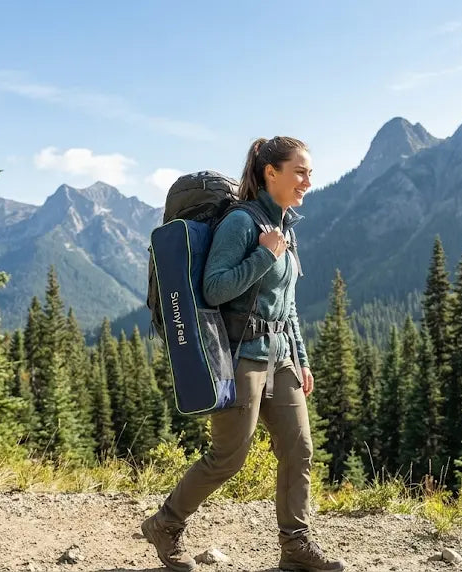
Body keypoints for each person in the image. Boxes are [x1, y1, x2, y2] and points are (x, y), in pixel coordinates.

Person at [141, 137, 345, 572]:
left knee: (299, 449)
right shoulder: (242, 223)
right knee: (228, 458)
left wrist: (302, 359)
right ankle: (166, 523)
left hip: (281, 357)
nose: (308, 181)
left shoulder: (285, 227)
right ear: (271, 173)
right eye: (300, 172)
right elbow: (215, 288)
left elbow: (287, 304)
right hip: (241, 357)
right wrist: (262, 254)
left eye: (309, 172)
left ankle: (295, 544)